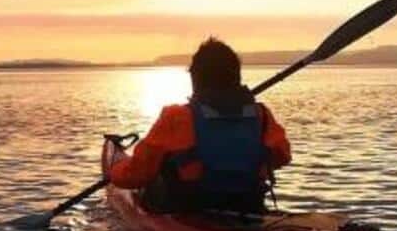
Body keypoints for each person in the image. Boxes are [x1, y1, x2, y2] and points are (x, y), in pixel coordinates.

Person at [107, 37, 291, 214]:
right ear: (237, 76)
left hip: (188, 209)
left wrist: (114, 172)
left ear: (195, 79)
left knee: (157, 173)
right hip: (248, 204)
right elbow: (282, 157)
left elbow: (136, 175)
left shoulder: (177, 116)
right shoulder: (261, 115)